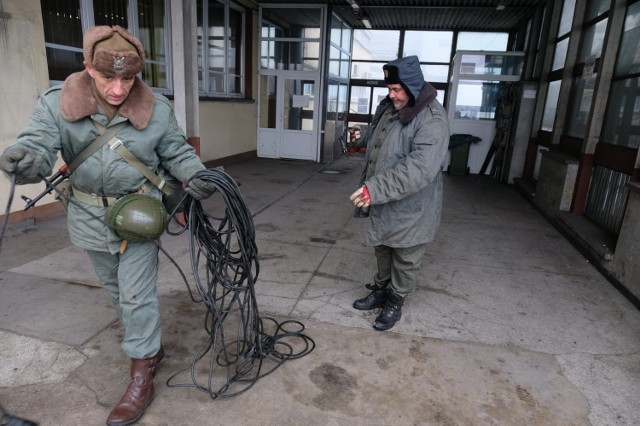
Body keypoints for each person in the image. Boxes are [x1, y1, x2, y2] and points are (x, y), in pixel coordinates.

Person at [0, 26, 216, 425]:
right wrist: (25, 158)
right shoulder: (56, 103)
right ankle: (149, 345)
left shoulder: (157, 108)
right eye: (107, 78)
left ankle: (141, 375)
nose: (118, 89)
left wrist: (197, 175)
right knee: (117, 291)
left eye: (127, 78)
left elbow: (177, 152)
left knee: (136, 295)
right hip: (87, 218)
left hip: (140, 216)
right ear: (87, 67)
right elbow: (38, 142)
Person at [349, 55, 449, 331]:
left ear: (413, 87)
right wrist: (362, 135)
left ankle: (396, 299)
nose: (391, 94)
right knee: (382, 245)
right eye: (389, 89)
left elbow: (419, 169)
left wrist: (375, 188)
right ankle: (381, 289)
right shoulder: (392, 106)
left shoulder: (432, 120)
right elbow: (382, 135)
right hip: (384, 199)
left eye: (396, 89)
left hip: (412, 207)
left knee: (405, 254)